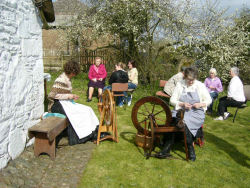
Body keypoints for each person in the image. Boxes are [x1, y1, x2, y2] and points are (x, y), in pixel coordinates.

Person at [155, 67, 212, 161]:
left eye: (192, 79)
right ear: (185, 77)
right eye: (189, 79)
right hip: (181, 110)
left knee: (185, 123)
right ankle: (169, 148)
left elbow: (209, 100)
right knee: (173, 121)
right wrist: (182, 104)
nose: (190, 82)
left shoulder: (200, 85)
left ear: (195, 78)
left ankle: (188, 148)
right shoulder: (180, 85)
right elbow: (172, 100)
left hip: (196, 112)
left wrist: (200, 104)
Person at [48, 60, 99, 145]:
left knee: (88, 109)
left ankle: (91, 131)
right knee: (78, 114)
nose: (75, 75)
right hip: (57, 105)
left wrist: (71, 96)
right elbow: (52, 95)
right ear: (72, 71)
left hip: (65, 103)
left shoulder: (67, 79)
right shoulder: (60, 80)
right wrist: (69, 96)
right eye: (75, 73)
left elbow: (65, 93)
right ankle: (81, 136)